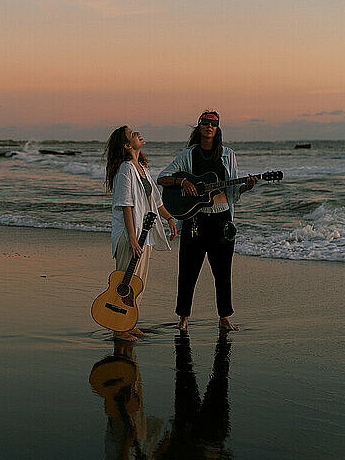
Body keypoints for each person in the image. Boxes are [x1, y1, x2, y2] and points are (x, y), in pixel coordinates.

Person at [157, 110, 257, 333]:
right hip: (195, 218)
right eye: (205, 122)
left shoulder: (228, 155)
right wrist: (182, 181)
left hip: (222, 218)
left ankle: (224, 317)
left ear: (218, 127)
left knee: (223, 271)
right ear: (199, 126)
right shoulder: (187, 155)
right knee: (188, 269)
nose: (209, 126)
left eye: (213, 123)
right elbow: (161, 177)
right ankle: (183, 318)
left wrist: (246, 186)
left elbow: (234, 190)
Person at [105, 126, 177, 342]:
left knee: (138, 282)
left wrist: (169, 218)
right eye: (132, 134)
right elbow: (125, 205)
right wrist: (132, 239)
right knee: (125, 282)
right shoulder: (126, 168)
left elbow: (156, 201)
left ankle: (129, 322)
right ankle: (119, 328)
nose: (137, 133)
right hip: (131, 236)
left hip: (144, 235)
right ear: (127, 145)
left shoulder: (142, 167)